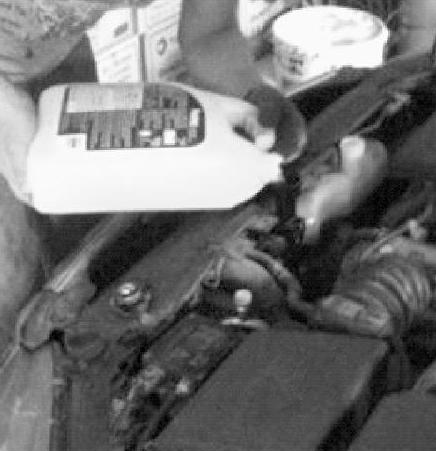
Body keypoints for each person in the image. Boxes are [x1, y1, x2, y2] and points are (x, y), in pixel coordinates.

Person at [0, 0, 305, 361]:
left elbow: (211, 33)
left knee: (87, 260)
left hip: (52, 52)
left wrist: (251, 96)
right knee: (12, 298)